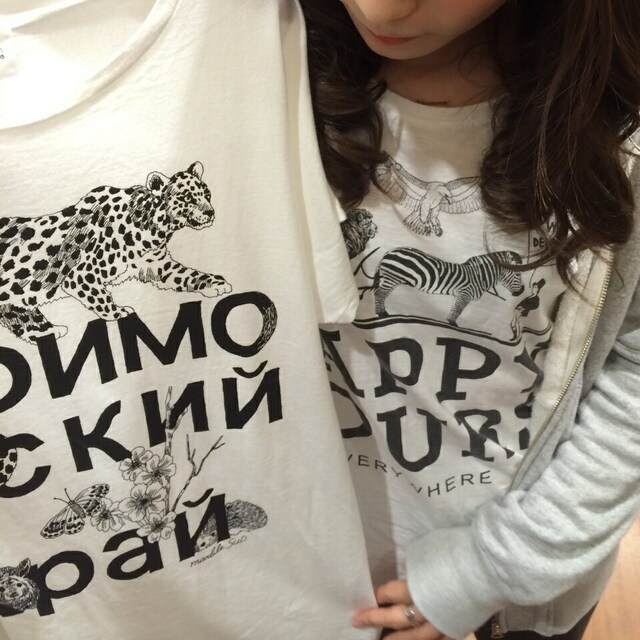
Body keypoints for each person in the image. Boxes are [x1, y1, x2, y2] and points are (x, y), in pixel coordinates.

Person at [0, 2, 377, 639]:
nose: (201, 218)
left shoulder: (243, 25)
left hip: (283, 604)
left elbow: (165, 270)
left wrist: (206, 282)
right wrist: (115, 311)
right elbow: (92, 281)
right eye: (192, 207)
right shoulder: (112, 220)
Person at [300, 1, 640, 639]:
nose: (382, 8)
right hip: (297, 572)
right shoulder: (254, 77)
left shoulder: (618, 130)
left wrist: (495, 569)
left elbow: (633, 371)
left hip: (513, 587)